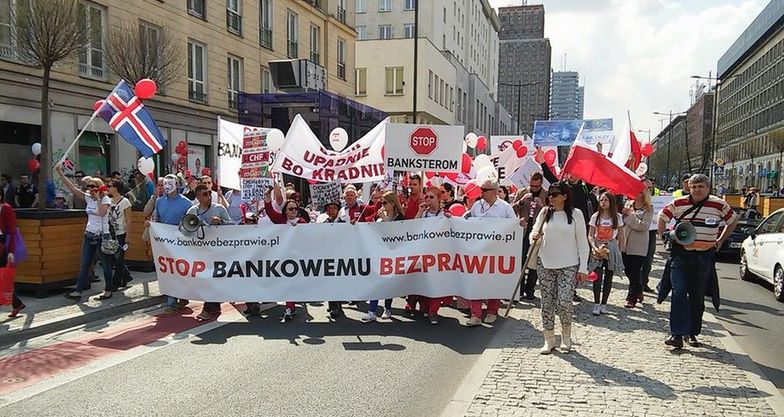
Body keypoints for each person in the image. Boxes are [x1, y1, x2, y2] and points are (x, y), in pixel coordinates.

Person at [658, 174, 737, 349]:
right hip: (681, 256)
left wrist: (721, 239)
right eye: (693, 186)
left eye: (700, 186)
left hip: (703, 257)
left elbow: (732, 220)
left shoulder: (719, 204)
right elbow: (662, 217)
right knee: (678, 293)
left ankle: (692, 333)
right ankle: (676, 334)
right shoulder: (679, 204)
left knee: (697, 296)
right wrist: (664, 238)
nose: (696, 190)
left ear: (708, 188)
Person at [530, 181, 590, 354]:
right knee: (547, 303)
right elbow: (534, 233)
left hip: (568, 265)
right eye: (550, 194)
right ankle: (549, 340)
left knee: (564, 301)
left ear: (565, 196)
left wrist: (583, 268)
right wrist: (534, 236)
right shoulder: (544, 213)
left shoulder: (576, 214)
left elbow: (583, 243)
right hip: (545, 263)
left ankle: (566, 335)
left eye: (555, 194)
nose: (551, 197)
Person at [55, 164, 115, 301]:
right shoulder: (88, 197)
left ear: (99, 187)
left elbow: (102, 212)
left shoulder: (105, 199)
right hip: (89, 234)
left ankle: (108, 290)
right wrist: (61, 174)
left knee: (105, 264)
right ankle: (78, 291)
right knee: (85, 264)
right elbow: (73, 189)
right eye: (88, 186)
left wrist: (98, 197)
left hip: (102, 235)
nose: (90, 189)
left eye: (93, 186)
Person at [466, 178, 516, 327]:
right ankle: (475, 314)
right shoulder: (476, 205)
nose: (481, 192)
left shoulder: (505, 207)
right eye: (481, 189)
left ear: (494, 191)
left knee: (494, 282)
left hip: (496, 252)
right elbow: (468, 221)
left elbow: (513, 227)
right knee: (475, 282)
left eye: (484, 190)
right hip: (478, 250)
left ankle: (492, 311)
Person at [186, 184, 233, 321]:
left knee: (211, 278)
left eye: (209, 193)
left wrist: (221, 222)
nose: (209, 196)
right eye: (205, 194)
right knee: (207, 279)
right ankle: (215, 304)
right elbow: (185, 228)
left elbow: (232, 226)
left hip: (218, 251)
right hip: (201, 251)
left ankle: (207, 308)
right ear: (198, 197)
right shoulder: (192, 211)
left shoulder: (219, 208)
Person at [152, 175, 194, 314]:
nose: (167, 187)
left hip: (180, 242)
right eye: (165, 184)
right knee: (169, 271)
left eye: (170, 184)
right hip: (164, 242)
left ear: (176, 184)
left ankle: (175, 301)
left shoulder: (187, 203)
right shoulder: (159, 201)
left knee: (178, 271)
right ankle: (176, 299)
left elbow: (191, 221)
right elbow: (157, 218)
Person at [362, 191, 404, 322]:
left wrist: (384, 219)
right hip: (378, 252)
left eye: (385, 202)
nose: (382, 205)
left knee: (388, 283)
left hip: (392, 253)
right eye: (381, 202)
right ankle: (372, 311)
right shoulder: (380, 215)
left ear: (392, 203)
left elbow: (395, 233)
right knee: (375, 282)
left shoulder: (399, 217)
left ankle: (387, 308)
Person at [415, 186, 453, 325]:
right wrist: (419, 211)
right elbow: (413, 227)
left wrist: (451, 219)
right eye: (427, 197)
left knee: (437, 283)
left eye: (432, 197)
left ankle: (433, 311)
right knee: (425, 282)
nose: (428, 200)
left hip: (438, 254)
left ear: (439, 199)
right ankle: (425, 307)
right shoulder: (424, 213)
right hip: (424, 252)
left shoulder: (445, 214)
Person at [269, 197, 309, 320]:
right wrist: (267, 199)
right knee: (287, 282)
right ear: (285, 211)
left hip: (298, 257)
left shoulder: (302, 222)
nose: (294, 211)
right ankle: (289, 307)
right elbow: (270, 212)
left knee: (292, 282)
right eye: (291, 209)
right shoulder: (281, 220)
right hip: (283, 257)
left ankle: (291, 306)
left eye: (296, 209)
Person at [588, 192, 625, 316]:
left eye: (606, 200)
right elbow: (590, 235)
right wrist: (594, 247)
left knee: (609, 277)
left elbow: (621, 236)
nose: (603, 202)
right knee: (596, 276)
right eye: (601, 200)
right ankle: (596, 303)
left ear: (611, 202)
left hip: (611, 247)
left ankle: (604, 303)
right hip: (598, 246)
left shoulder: (617, 217)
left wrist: (619, 253)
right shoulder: (595, 216)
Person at [512, 172, 547, 300]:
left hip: (538, 232)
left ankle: (530, 290)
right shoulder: (521, 192)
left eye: (537, 186)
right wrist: (521, 202)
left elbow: (551, 212)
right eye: (532, 185)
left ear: (541, 184)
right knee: (521, 260)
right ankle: (519, 290)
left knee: (534, 262)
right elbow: (512, 210)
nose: (534, 188)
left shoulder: (546, 194)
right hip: (523, 231)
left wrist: (543, 206)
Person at [621, 188, 653, 308]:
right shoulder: (628, 204)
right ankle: (639, 289)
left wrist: (630, 216)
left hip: (638, 244)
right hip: (625, 242)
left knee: (634, 271)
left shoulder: (648, 208)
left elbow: (642, 226)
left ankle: (631, 298)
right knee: (628, 270)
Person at [1, 190, 24, 317]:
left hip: (2, 247)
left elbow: (12, 232)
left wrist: (10, 251)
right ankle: (17, 303)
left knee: (2, 278)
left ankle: (16, 303)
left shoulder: (6, 208)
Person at [107, 180, 133, 289]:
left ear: (116, 188)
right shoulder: (108, 200)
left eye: (110, 186)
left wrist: (128, 235)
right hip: (110, 232)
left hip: (121, 233)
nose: (108, 187)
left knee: (119, 258)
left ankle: (115, 283)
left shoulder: (125, 202)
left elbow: (128, 220)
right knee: (114, 258)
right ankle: (126, 276)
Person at [639, 180, 659, 294]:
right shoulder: (634, 200)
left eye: (650, 188)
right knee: (637, 259)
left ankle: (643, 282)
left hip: (651, 232)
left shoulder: (656, 201)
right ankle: (636, 284)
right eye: (646, 188)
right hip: (638, 233)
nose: (649, 190)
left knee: (648, 258)